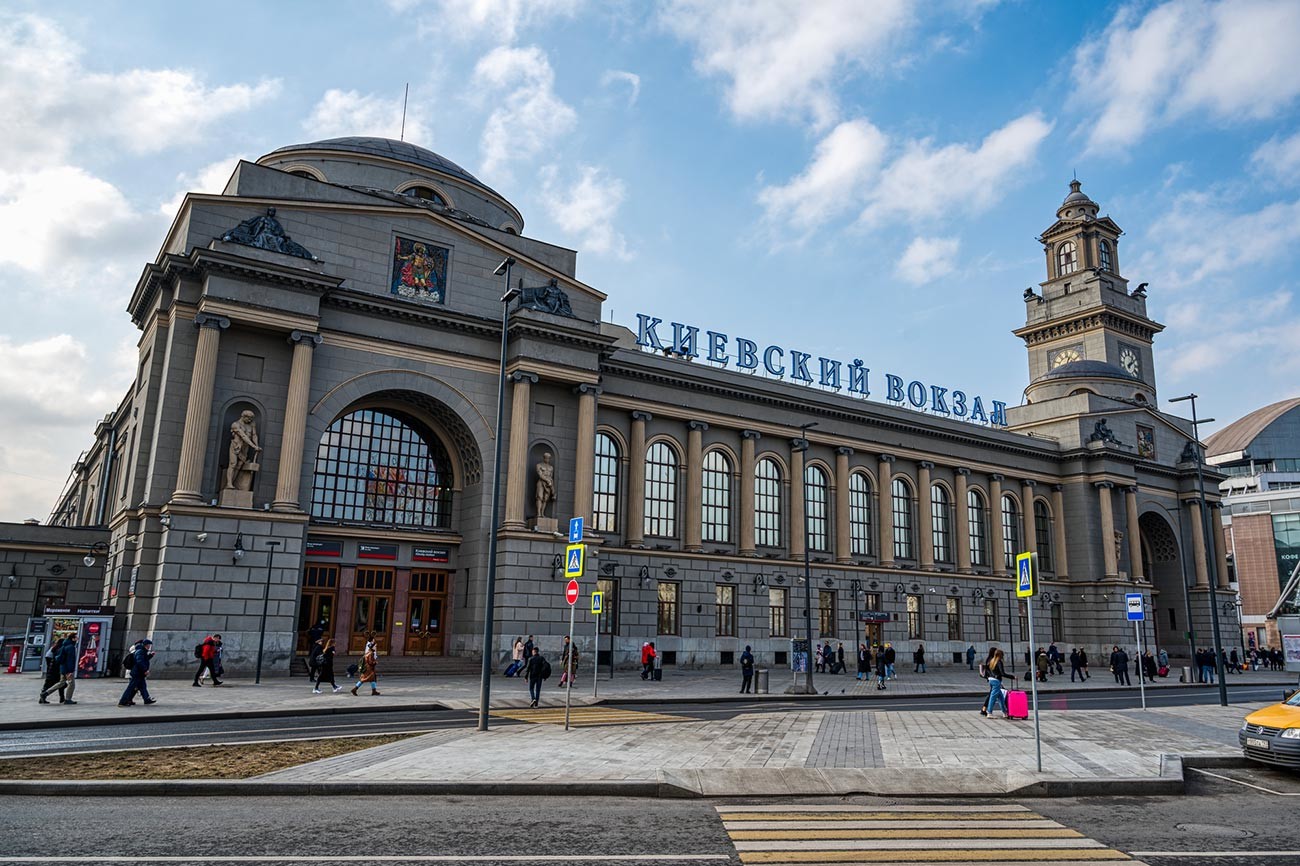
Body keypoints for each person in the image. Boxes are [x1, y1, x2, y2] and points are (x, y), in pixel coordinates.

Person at [40, 635, 77, 705]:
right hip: (67, 669)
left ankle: (45, 693)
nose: (77, 639)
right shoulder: (71, 647)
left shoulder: (63, 646)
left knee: (61, 683)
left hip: (62, 668)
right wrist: (70, 671)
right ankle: (68, 699)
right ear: (73, 639)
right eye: (76, 638)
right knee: (71, 684)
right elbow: (70, 660)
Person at [118, 639, 156, 706]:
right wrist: (145, 670)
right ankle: (123, 701)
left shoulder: (142, 651)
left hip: (139, 673)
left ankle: (146, 699)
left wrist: (150, 655)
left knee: (142, 686)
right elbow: (140, 662)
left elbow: (144, 659)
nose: (149, 647)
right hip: (137, 673)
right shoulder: (140, 651)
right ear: (145, 645)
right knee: (131, 687)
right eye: (148, 645)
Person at [982, 648, 1014, 718]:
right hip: (996, 681)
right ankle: (989, 712)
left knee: (1001, 697)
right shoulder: (999, 662)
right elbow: (1002, 673)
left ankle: (1004, 712)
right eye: (1002, 655)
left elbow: (988, 670)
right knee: (993, 697)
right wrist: (1012, 677)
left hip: (991, 679)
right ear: (1001, 655)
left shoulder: (992, 661)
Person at [38, 637, 68, 705]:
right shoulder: (59, 650)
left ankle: (43, 697)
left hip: (51, 669)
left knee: (49, 684)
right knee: (61, 684)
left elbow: (48, 658)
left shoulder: (53, 648)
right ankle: (61, 698)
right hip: (56, 670)